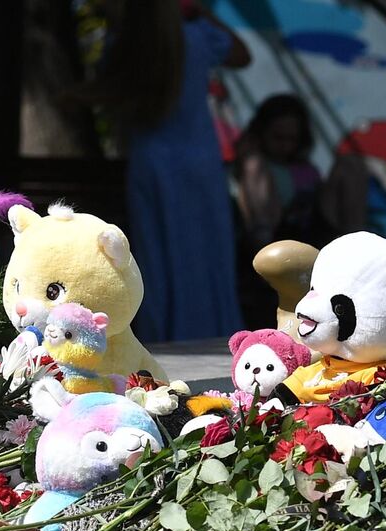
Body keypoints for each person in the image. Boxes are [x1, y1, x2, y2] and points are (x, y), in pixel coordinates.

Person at [94, 0, 250, 343]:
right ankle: (218, 335)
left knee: (156, 257)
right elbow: (242, 54)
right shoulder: (196, 33)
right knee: (208, 258)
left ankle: (162, 337)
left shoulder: (126, 41)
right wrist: (199, 12)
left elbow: (104, 92)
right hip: (200, 161)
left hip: (152, 162)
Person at [233, 93, 367, 254]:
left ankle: (357, 245)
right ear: (262, 132)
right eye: (278, 138)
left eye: (292, 139)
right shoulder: (254, 164)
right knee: (253, 163)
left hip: (311, 226)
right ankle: (264, 251)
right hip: (275, 232)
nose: (285, 146)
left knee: (350, 164)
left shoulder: (304, 168)